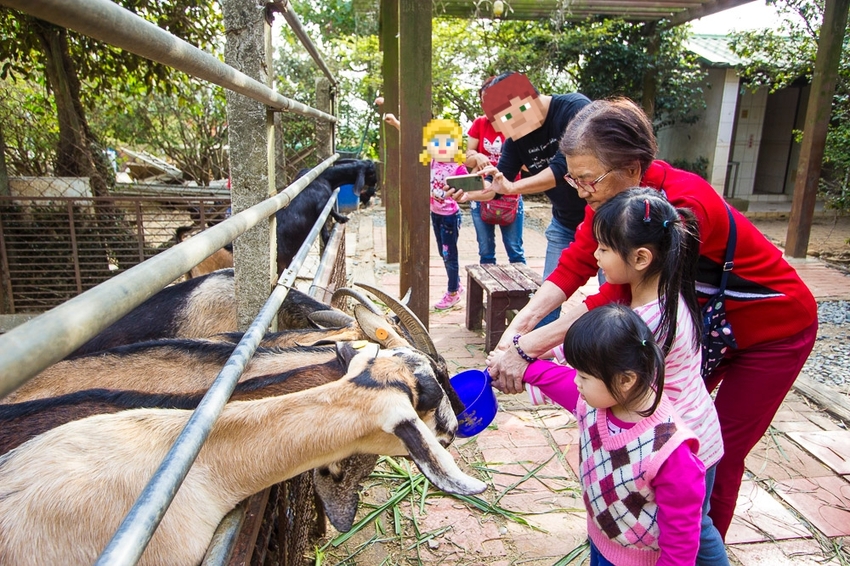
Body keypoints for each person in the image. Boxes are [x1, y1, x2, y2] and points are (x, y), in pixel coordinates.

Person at [487, 97, 818, 540]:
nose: (581, 190)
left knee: (715, 447)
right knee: (663, 414)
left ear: (632, 165)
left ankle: (697, 543)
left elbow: (618, 297)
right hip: (707, 328)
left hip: (771, 331)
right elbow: (576, 262)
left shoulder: (682, 208)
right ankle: (651, 532)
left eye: (587, 179)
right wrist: (521, 324)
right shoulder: (611, 199)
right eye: (574, 178)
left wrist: (527, 350)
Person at [521, 188, 729, 564]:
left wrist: (529, 365)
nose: (595, 255)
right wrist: (533, 363)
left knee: (690, 530)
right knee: (688, 524)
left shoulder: (648, 322)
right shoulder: (646, 296)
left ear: (641, 257)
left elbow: (586, 378)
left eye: (603, 248)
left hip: (679, 443)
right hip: (661, 433)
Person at [525, 303, 705, 565]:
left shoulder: (669, 452)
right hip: (600, 538)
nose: (576, 381)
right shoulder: (596, 401)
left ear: (625, 379)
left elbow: (681, 540)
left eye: (583, 376)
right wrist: (520, 369)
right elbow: (558, 381)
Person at [448, 72, 590, 326]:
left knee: (618, 296)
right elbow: (498, 185)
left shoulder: (575, 109)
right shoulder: (517, 137)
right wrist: (470, 192)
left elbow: (562, 168)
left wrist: (512, 187)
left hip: (604, 219)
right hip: (565, 223)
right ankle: (537, 355)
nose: (503, 129)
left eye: (504, 119)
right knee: (548, 294)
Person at [462, 77, 525, 265]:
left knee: (515, 250)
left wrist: (509, 161)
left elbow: (528, 162)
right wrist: (478, 156)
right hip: (482, 193)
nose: (485, 105)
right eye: (482, 100)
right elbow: (466, 158)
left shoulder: (515, 122)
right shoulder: (480, 123)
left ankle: (527, 294)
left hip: (509, 194)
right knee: (485, 251)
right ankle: (489, 293)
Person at [419, 118, 468, 310]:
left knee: (449, 255)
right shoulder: (431, 162)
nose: (440, 147)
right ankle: (456, 283)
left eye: (447, 143)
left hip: (449, 217)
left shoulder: (457, 167)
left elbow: (469, 188)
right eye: (435, 142)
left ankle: (453, 293)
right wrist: (397, 123)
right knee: (442, 252)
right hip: (436, 214)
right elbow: (415, 140)